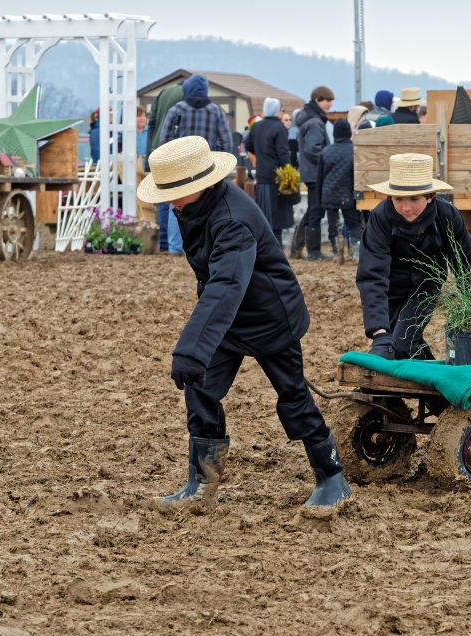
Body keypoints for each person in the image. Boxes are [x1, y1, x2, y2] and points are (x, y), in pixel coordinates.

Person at [136, 136, 351, 508]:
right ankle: (201, 485)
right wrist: (197, 355)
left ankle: (332, 477)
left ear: (200, 184)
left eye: (175, 193)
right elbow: (216, 286)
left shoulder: (232, 220)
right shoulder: (193, 208)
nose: (169, 201)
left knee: (293, 395)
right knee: (199, 386)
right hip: (230, 320)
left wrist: (191, 347)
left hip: (272, 316)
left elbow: (225, 285)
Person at [357, 153, 471, 360]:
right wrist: (378, 332)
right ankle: (429, 385)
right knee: (394, 345)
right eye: (398, 199)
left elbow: (468, 264)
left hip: (426, 286)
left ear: (430, 196)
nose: (406, 208)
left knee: (401, 342)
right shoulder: (380, 219)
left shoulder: (447, 216)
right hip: (391, 288)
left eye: (414, 199)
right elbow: (372, 275)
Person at [159, 74, 234, 255]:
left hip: (180, 166)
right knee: (206, 206)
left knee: (176, 204)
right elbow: (227, 141)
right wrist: (219, 165)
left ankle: (175, 247)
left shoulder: (176, 110)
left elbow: (165, 140)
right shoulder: (216, 111)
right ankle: (203, 246)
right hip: (205, 168)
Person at [291, 86, 338, 260]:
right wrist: (328, 159)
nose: (330, 104)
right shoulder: (315, 122)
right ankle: (313, 251)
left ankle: (297, 247)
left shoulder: (311, 119)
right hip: (316, 173)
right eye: (327, 100)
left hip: (310, 173)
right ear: (317, 100)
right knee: (316, 211)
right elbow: (313, 149)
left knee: (313, 210)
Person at [245, 97, 294, 243]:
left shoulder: (257, 126)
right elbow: (283, 154)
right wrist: (289, 173)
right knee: (277, 219)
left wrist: (260, 157)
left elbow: (248, 146)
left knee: (264, 218)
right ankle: (276, 247)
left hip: (261, 178)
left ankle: (264, 247)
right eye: (281, 110)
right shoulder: (280, 128)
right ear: (277, 111)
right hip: (276, 179)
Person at [146, 82, 185, 252]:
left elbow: (151, 122)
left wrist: (149, 150)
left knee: (163, 198)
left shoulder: (163, 92)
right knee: (175, 198)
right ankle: (173, 244)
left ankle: (163, 243)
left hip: (156, 149)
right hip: (172, 150)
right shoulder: (185, 96)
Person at [318, 119, 363, 261]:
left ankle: (338, 251)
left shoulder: (325, 151)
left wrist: (320, 197)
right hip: (348, 194)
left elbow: (319, 177)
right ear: (349, 133)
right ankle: (356, 251)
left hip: (329, 194)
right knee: (354, 223)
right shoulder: (354, 151)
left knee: (333, 224)